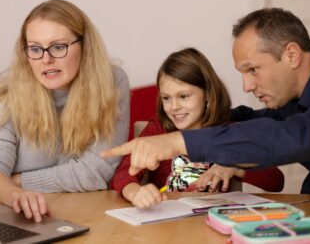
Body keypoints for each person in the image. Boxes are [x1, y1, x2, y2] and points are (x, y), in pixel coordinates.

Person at [103, 8, 310, 195]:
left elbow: (292, 136)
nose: (247, 86)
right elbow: (262, 120)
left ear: (291, 55)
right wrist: (208, 118)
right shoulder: (294, 96)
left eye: (253, 70)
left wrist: (179, 141)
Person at [0, 0, 130, 222]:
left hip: (89, 215)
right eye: (35, 48)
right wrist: (14, 193)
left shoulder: (112, 81)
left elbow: (97, 172)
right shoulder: (8, 87)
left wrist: (16, 181)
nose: (46, 59)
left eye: (58, 47)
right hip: (18, 215)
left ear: (85, 46)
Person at [111, 48, 284, 208]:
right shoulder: (158, 129)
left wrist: (236, 166)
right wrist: (136, 192)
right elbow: (123, 173)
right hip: (167, 228)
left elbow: (276, 181)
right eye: (166, 98)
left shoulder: (229, 132)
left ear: (208, 94)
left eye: (184, 96)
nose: (174, 106)